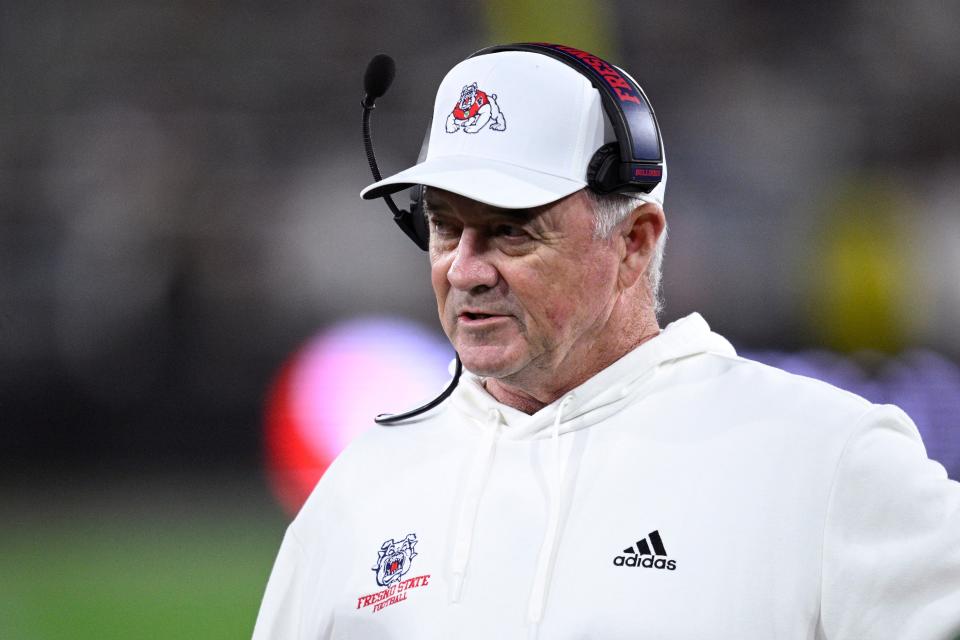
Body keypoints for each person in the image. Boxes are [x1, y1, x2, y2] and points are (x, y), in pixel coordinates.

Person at [253, 44, 960, 640]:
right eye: (444, 226)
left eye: (509, 231)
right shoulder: (361, 486)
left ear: (633, 243)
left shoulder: (825, 457)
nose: (464, 269)